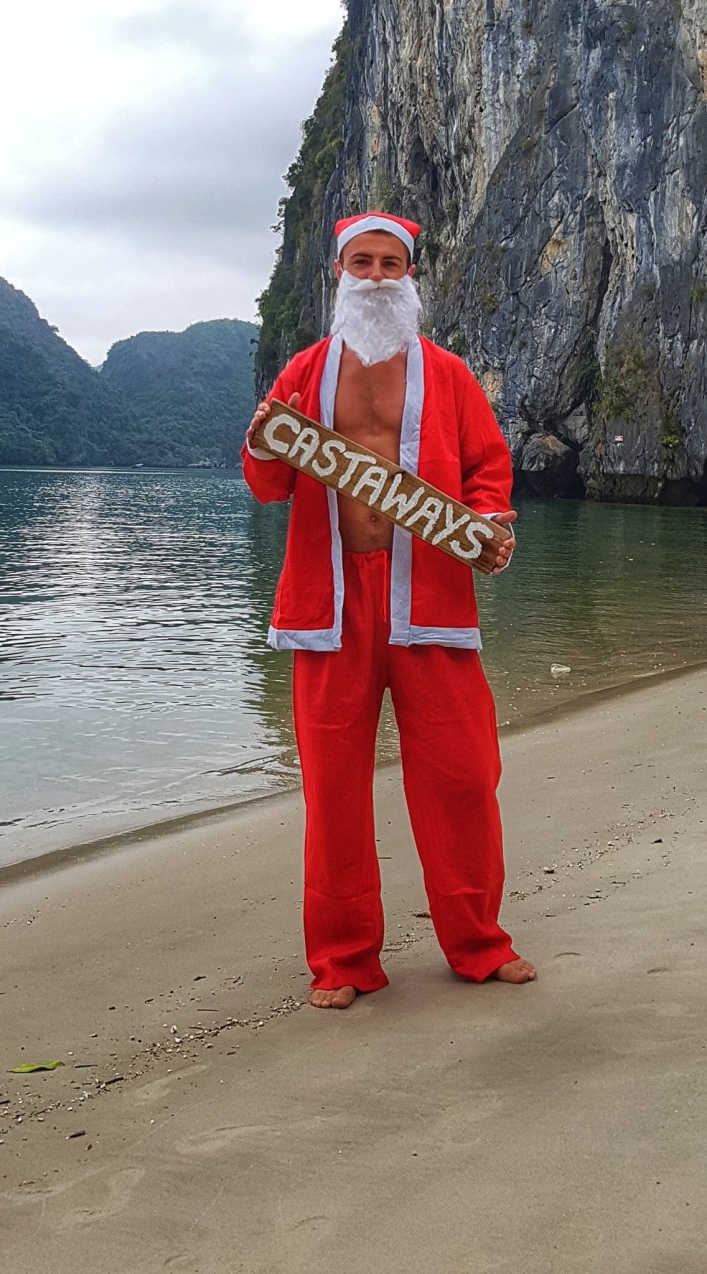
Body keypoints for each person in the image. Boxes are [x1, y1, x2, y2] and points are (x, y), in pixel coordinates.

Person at [244, 210, 537, 1009]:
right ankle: (343, 961)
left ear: (411, 276)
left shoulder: (448, 375)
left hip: (428, 599)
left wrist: (491, 521)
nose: (376, 277)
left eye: (390, 264)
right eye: (362, 263)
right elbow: (268, 483)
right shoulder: (304, 373)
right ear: (338, 274)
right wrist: (263, 443)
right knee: (334, 790)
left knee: (463, 776)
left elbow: (487, 469)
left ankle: (478, 943)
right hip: (330, 606)